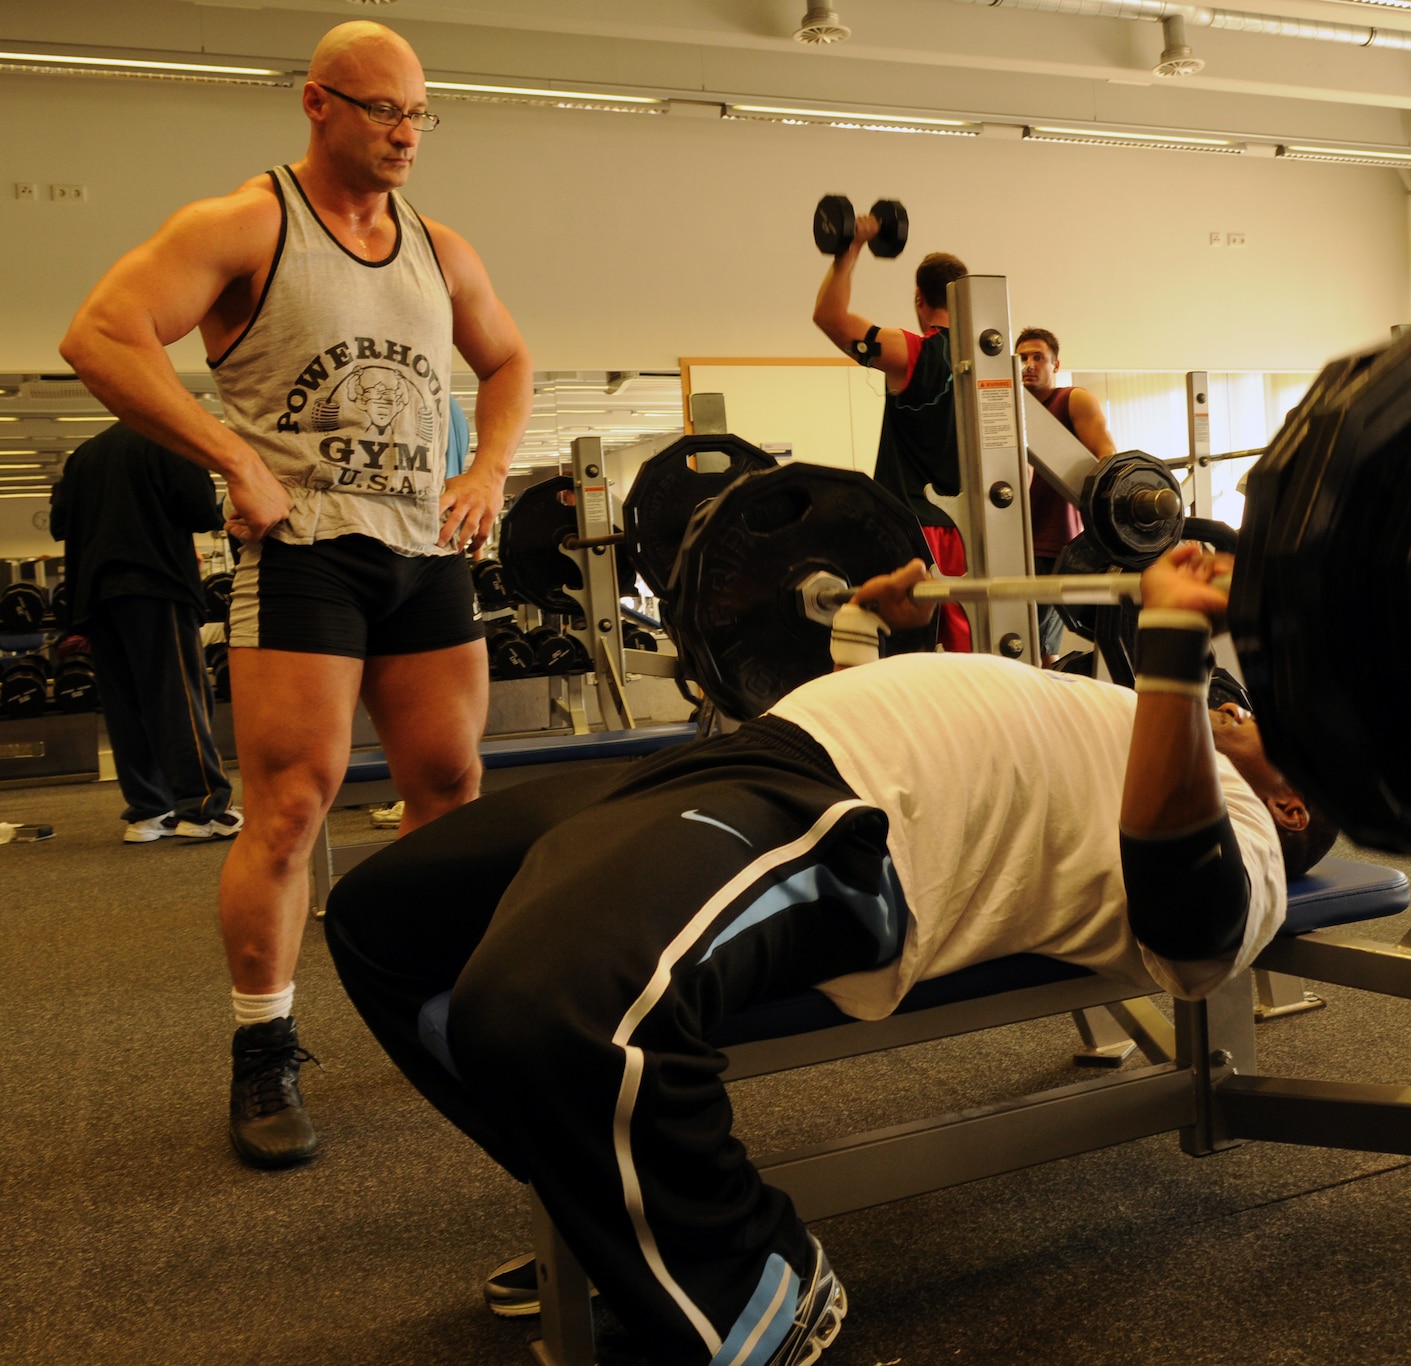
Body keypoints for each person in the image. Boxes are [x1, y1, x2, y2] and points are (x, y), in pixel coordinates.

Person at [324, 544, 1333, 1366]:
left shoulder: (1236, 819)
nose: (1237, 708)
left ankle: (764, 1297)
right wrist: (876, 633)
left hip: (839, 822)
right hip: (749, 753)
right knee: (381, 917)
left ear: (1291, 802)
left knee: (553, 1005)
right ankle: (608, 1212)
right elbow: (926, 715)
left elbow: (1194, 932)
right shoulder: (1140, 722)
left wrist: (1172, 655)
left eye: (1254, 719)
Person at [58, 19, 532, 1169]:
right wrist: (232, 458)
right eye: (384, 110)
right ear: (318, 104)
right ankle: (263, 1049)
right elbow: (99, 335)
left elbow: (508, 360)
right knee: (290, 804)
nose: (407, 133)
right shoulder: (243, 225)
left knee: (450, 785)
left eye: (421, 112)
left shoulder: (440, 246)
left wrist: (484, 468)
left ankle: (447, 1002)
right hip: (307, 553)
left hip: (423, 555)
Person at [48, 421, 239, 843]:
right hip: (156, 585)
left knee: (125, 703)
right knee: (177, 697)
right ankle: (202, 808)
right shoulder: (171, 438)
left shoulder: (84, 454)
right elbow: (201, 510)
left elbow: (58, 523)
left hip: (94, 594)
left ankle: (149, 812)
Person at [812, 221, 972, 651]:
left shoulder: (914, 353)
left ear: (920, 299)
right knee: (968, 646)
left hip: (910, 529)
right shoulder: (994, 364)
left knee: (906, 652)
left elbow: (829, 318)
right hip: (973, 532)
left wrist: (851, 248)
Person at [1016, 327, 1117, 661]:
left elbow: (1108, 460)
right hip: (1013, 543)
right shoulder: (1007, 409)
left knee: (1041, 648)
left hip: (1055, 542)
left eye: (1038, 357)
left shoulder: (1073, 399)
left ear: (1055, 365)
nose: (1029, 365)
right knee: (1014, 640)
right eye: (1022, 358)